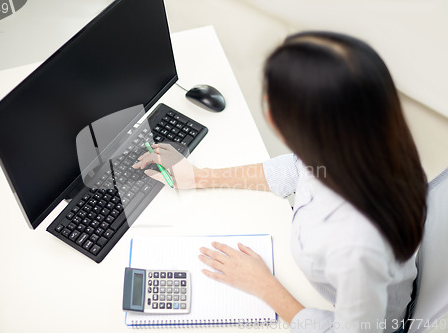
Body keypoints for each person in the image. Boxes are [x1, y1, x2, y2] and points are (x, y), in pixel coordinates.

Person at [132, 31, 427, 333]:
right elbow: (296, 170)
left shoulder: (356, 245)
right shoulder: (360, 144)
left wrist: (263, 286)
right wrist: (201, 177)